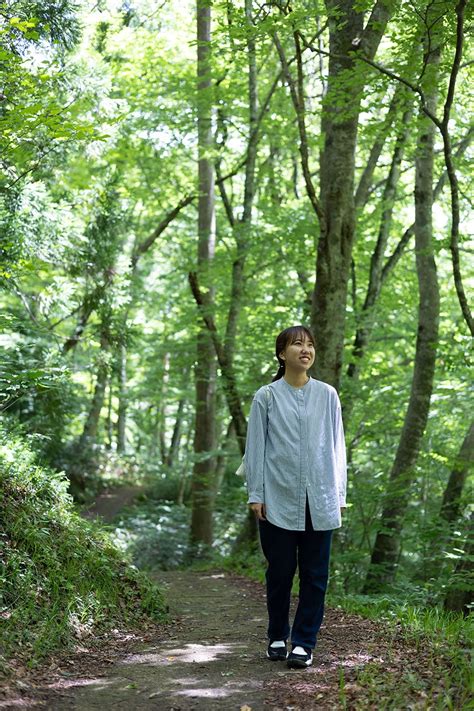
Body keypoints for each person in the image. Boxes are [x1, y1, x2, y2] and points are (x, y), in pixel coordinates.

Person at [244, 325, 347, 669]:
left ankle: (303, 642)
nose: (305, 350)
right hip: (277, 498)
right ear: (282, 353)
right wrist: (256, 493)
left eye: (309, 345)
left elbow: (337, 448)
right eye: (297, 344)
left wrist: (339, 495)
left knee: (316, 576)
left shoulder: (328, 395)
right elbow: (255, 448)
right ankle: (277, 634)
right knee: (280, 572)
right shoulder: (267, 396)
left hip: (319, 498)